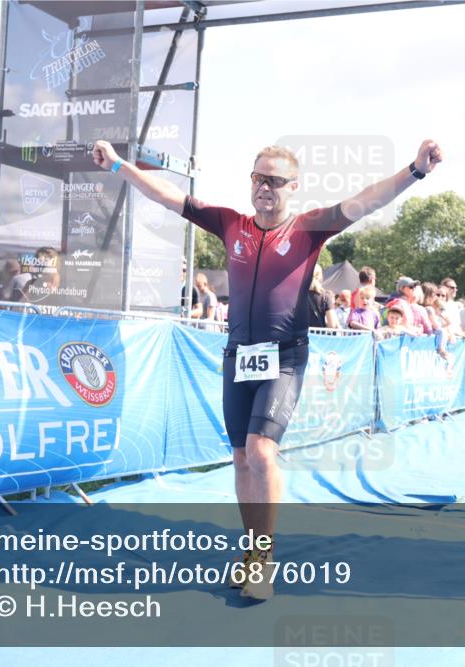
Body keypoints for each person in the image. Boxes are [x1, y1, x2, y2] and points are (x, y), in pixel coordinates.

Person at [92, 136, 443, 600]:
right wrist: (119, 165)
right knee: (239, 458)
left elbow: (366, 200)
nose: (263, 187)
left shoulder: (310, 228)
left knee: (260, 453)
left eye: (274, 180)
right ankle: (251, 551)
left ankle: (263, 557)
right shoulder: (231, 224)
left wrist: (414, 170)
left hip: (285, 356)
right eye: (257, 178)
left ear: (292, 186)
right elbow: (168, 195)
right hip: (238, 355)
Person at [307, 264, 338, 329]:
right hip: (318, 337)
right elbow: (332, 325)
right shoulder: (325, 297)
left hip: (301, 336)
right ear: (320, 277)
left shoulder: (298, 296)